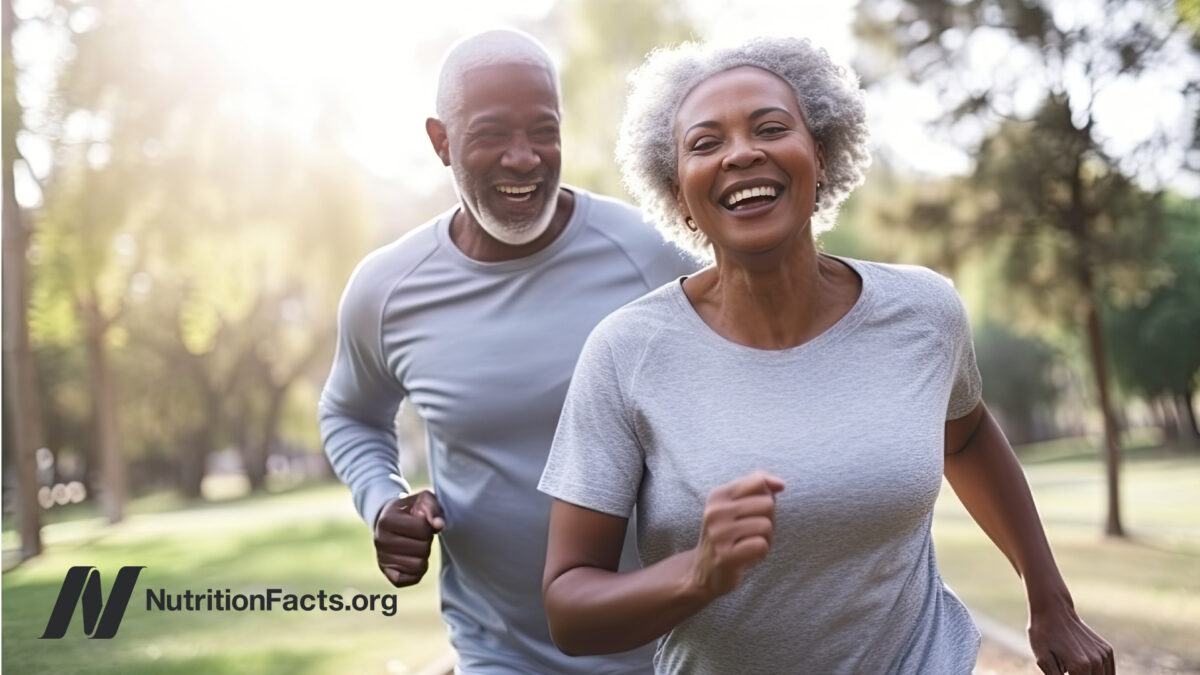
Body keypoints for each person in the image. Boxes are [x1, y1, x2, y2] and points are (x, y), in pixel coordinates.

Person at [539, 36, 1115, 675]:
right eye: (705, 143)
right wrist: (695, 574)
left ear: (820, 152)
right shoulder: (626, 352)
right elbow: (568, 609)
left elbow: (969, 435)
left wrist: (1051, 600)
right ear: (679, 196)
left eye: (770, 127)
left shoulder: (923, 313)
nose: (742, 152)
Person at [318, 29, 697, 674]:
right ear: (441, 142)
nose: (523, 159)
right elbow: (350, 414)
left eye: (543, 130)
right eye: (491, 133)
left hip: (668, 650)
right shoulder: (386, 290)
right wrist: (384, 500)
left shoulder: (651, 252)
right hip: (499, 652)